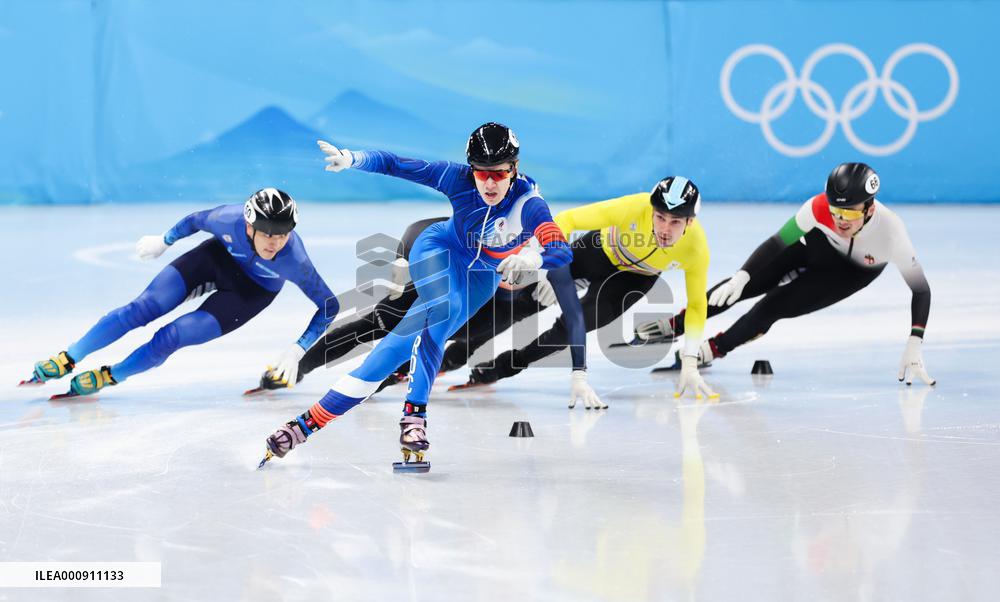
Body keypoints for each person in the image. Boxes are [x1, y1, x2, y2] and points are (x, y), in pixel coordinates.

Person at [260, 123, 572, 470]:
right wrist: (353, 158)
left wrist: (534, 258)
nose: (489, 183)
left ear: (513, 168)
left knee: (403, 345)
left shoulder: (528, 203)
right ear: (472, 169)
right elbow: (397, 164)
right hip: (438, 248)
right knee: (442, 310)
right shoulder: (457, 178)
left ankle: (304, 426)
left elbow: (561, 248)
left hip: (481, 276)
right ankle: (414, 418)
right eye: (481, 173)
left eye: (499, 174)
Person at [26, 188, 338, 397]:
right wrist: (165, 239)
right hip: (215, 260)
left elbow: (329, 305)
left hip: (250, 292)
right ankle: (69, 357)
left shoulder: (294, 260)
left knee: (171, 337)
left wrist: (298, 349)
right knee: (141, 309)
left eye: (283, 234)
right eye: (268, 233)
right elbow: (194, 221)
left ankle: (113, 375)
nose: (275, 242)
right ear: (248, 226)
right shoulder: (226, 219)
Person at [649, 162, 934, 386]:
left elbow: (921, 290)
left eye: (848, 214)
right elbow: (777, 242)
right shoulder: (818, 207)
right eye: (835, 211)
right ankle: (676, 325)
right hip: (817, 247)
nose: (839, 220)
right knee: (743, 286)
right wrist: (743, 275)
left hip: (848, 275)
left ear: (870, 208)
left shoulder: (891, 233)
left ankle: (712, 350)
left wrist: (915, 340)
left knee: (770, 307)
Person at [452, 176, 716, 401]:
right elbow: (567, 220)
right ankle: (451, 352)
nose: (665, 229)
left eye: (675, 222)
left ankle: (501, 369)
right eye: (660, 218)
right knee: (523, 302)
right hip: (598, 251)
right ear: (651, 210)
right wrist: (550, 267)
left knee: (569, 330)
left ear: (690, 222)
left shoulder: (696, 249)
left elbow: (696, 305)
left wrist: (690, 360)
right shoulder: (633, 207)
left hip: (634, 279)